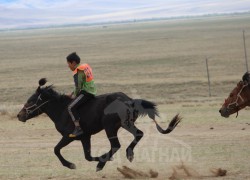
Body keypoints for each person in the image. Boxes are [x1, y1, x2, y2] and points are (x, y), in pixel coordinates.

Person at [66, 52, 97, 138]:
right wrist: (72, 93)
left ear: (73, 63)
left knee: (70, 107)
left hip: (86, 92)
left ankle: (78, 128)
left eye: (68, 63)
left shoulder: (78, 71)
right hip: (92, 90)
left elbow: (78, 87)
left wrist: (74, 95)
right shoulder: (85, 66)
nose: (68, 66)